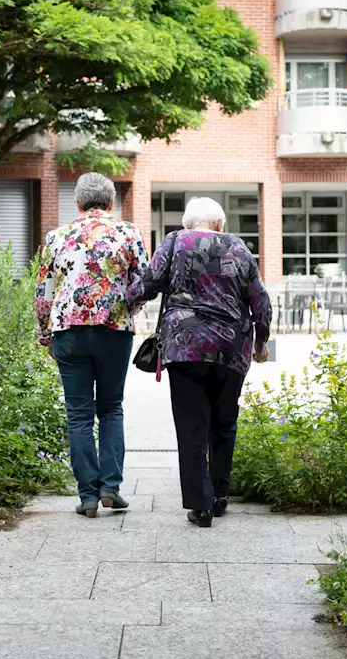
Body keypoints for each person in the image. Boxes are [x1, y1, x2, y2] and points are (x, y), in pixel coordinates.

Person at [128, 197, 272, 528]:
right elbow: (259, 300)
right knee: (224, 422)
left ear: (189, 223)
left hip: (185, 346)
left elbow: (149, 283)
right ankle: (220, 495)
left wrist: (125, 301)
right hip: (231, 348)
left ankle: (201, 505)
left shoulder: (175, 242)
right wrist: (261, 341)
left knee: (192, 426)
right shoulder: (237, 247)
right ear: (220, 224)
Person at [35, 173, 148, 518]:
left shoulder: (57, 236)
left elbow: (43, 293)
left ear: (78, 203)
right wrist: (127, 310)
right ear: (111, 202)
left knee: (78, 413)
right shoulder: (128, 233)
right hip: (114, 329)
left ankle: (87, 495)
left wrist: (45, 334)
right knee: (111, 407)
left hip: (68, 330)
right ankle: (110, 487)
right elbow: (143, 282)